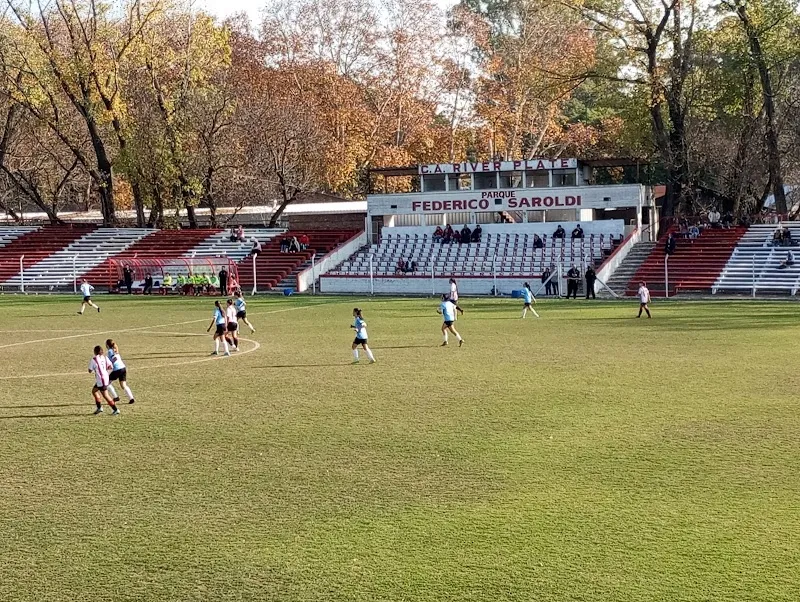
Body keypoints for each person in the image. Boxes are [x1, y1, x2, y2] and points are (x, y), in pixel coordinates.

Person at [88, 345, 119, 415]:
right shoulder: (105, 357)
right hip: (105, 377)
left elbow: (90, 370)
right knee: (94, 391)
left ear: (95, 352)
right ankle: (99, 408)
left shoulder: (94, 359)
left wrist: (94, 370)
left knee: (105, 395)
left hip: (100, 380)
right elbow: (110, 366)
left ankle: (115, 409)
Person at [105, 339, 135, 404]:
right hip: (123, 368)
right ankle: (131, 398)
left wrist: (110, 364)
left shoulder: (110, 351)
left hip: (117, 369)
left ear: (107, 345)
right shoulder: (115, 349)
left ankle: (116, 397)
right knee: (123, 385)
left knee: (106, 382)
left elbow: (114, 358)